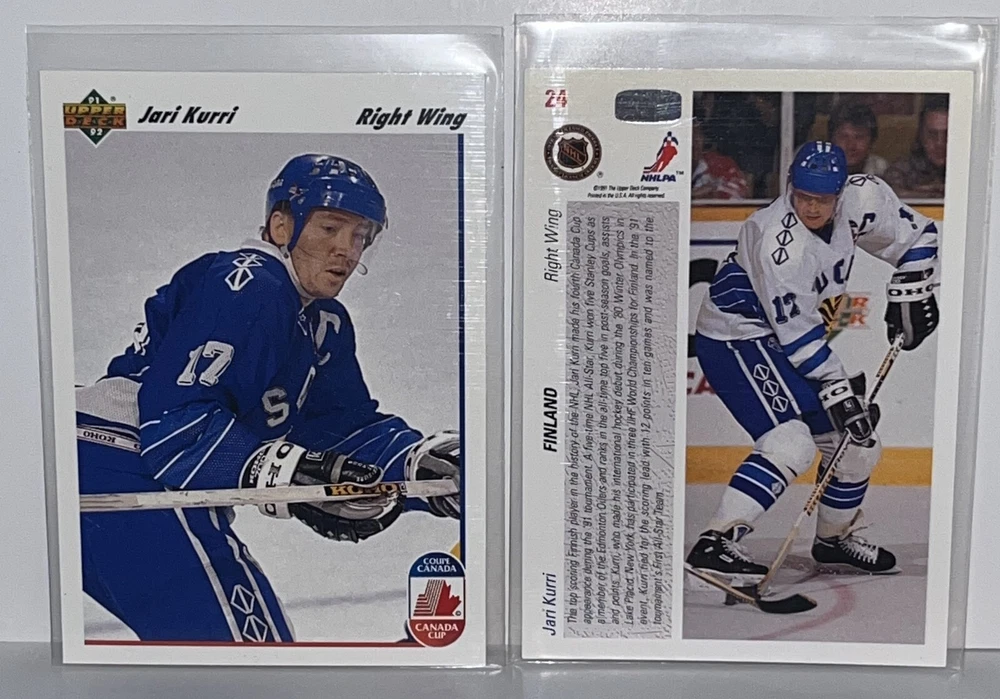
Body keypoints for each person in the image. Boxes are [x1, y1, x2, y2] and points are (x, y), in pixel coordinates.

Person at [74, 153, 461, 642]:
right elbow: (175, 427)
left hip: (108, 471)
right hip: (120, 463)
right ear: (282, 226)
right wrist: (284, 472)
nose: (347, 250)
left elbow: (338, 430)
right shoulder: (251, 282)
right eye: (330, 228)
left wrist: (417, 464)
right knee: (254, 658)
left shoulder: (322, 323)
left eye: (360, 236)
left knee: (240, 659)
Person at [687, 141, 939, 586]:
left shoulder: (863, 198)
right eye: (803, 196)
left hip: (787, 339)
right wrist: (841, 393)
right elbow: (800, 343)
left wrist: (912, 286)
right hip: (736, 337)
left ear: (841, 192)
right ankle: (715, 545)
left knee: (857, 446)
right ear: (790, 185)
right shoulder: (778, 244)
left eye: (823, 199)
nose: (811, 207)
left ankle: (833, 539)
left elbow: (921, 236)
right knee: (791, 444)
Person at [884, 95, 949, 198]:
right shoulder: (902, 171)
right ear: (921, 136)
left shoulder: (970, 169)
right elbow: (890, 196)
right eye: (932, 134)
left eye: (947, 135)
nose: (939, 143)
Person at [691, 117, 750, 200]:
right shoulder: (672, 169)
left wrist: (714, 188)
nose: (694, 142)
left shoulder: (722, 164)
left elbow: (739, 196)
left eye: (697, 135)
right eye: (688, 137)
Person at [827, 100, 889, 177]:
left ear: (871, 142)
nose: (851, 146)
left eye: (859, 137)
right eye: (843, 137)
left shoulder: (880, 170)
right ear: (832, 139)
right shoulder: (818, 168)